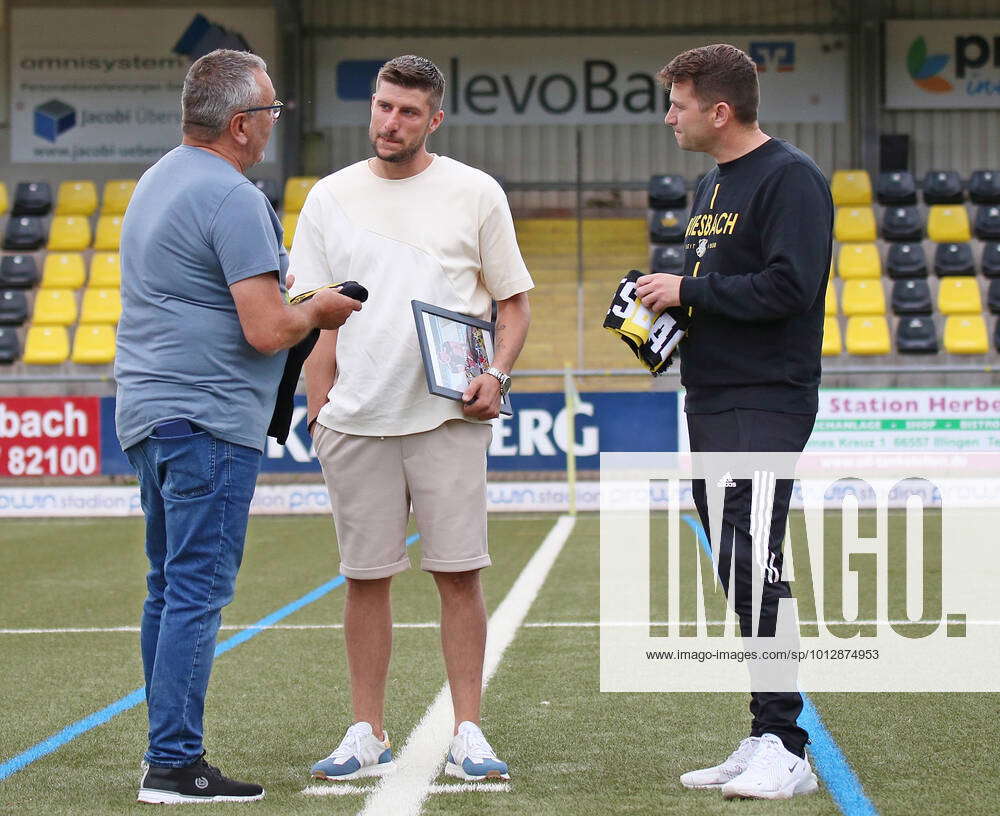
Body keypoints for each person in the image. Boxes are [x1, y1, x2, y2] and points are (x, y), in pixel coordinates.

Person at [115, 48, 361, 805]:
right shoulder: (231, 195)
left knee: (167, 588)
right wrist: (319, 311)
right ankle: (174, 762)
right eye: (273, 110)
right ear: (244, 124)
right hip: (207, 415)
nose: (274, 122)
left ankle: (166, 751)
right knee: (195, 590)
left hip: (151, 412)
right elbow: (264, 329)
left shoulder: (158, 180)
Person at [288, 55, 532, 783]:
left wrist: (496, 373)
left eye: (408, 111)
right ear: (372, 106)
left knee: (459, 575)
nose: (391, 122)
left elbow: (513, 305)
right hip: (356, 422)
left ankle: (469, 732)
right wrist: (317, 405)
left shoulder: (475, 192)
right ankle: (366, 730)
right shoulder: (329, 198)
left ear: (435, 119)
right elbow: (317, 316)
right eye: (383, 106)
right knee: (365, 579)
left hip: (445, 420)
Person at [636, 44, 832, 801]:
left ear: (719, 110)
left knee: (755, 555)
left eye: (678, 103)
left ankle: (787, 743)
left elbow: (790, 286)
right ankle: (764, 731)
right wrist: (663, 319)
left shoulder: (790, 178)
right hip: (712, 390)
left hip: (768, 393)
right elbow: (719, 290)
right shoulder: (710, 183)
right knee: (736, 561)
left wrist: (687, 292)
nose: (669, 116)